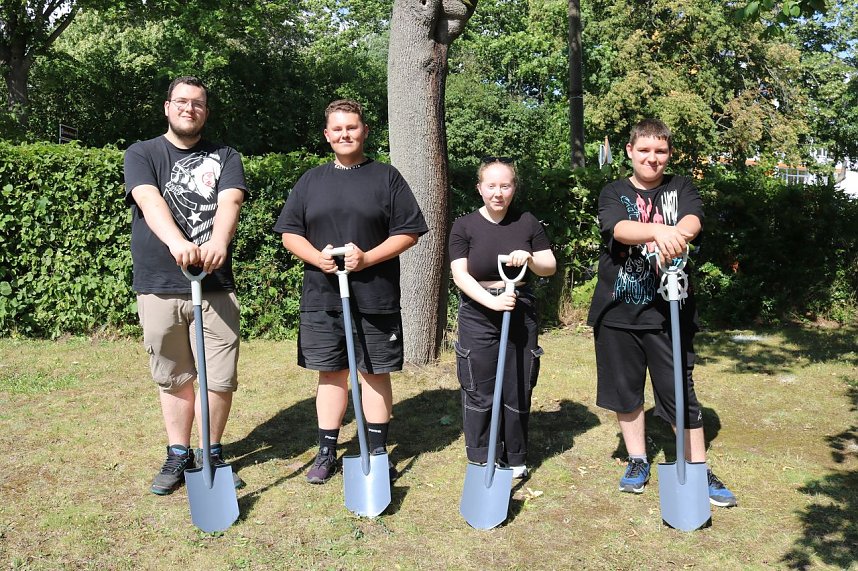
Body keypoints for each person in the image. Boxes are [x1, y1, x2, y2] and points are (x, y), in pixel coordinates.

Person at [273, 99, 428, 484]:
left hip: (374, 295)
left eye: (352, 127)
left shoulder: (386, 178)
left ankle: (376, 451)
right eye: (337, 129)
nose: (345, 134)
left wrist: (367, 258)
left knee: (374, 373)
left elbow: (409, 231)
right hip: (323, 297)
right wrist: (318, 258)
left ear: (364, 131)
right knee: (331, 373)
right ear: (327, 136)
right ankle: (327, 451)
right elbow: (290, 233)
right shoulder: (311, 180)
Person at [587, 118, 737, 507]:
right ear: (630, 152)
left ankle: (698, 466)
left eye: (661, 151)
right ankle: (638, 459)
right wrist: (657, 232)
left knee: (679, 393)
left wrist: (677, 232)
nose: (652, 159)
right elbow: (618, 229)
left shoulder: (681, 186)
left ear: (668, 154)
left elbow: (692, 220)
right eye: (645, 151)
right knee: (626, 392)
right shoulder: (613, 190)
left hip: (672, 310)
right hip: (618, 311)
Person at [124, 76, 248, 495]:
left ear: (205, 112)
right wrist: (178, 242)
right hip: (159, 284)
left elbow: (230, 200)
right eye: (182, 101)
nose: (189, 108)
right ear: (167, 107)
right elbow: (148, 199)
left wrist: (217, 241)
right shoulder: (142, 153)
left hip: (213, 286)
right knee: (174, 376)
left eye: (197, 103)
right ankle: (179, 453)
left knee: (219, 376)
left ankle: (210, 450)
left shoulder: (226, 155)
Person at [449, 157, 557, 478]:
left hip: (519, 306)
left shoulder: (526, 223)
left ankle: (515, 456)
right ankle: (483, 454)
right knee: (478, 384)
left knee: (517, 383)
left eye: (505, 186)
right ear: (480, 188)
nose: (498, 193)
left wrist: (530, 258)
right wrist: (492, 303)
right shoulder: (464, 226)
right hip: (478, 310)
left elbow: (549, 265)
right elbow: (460, 275)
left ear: (513, 188)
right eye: (492, 186)